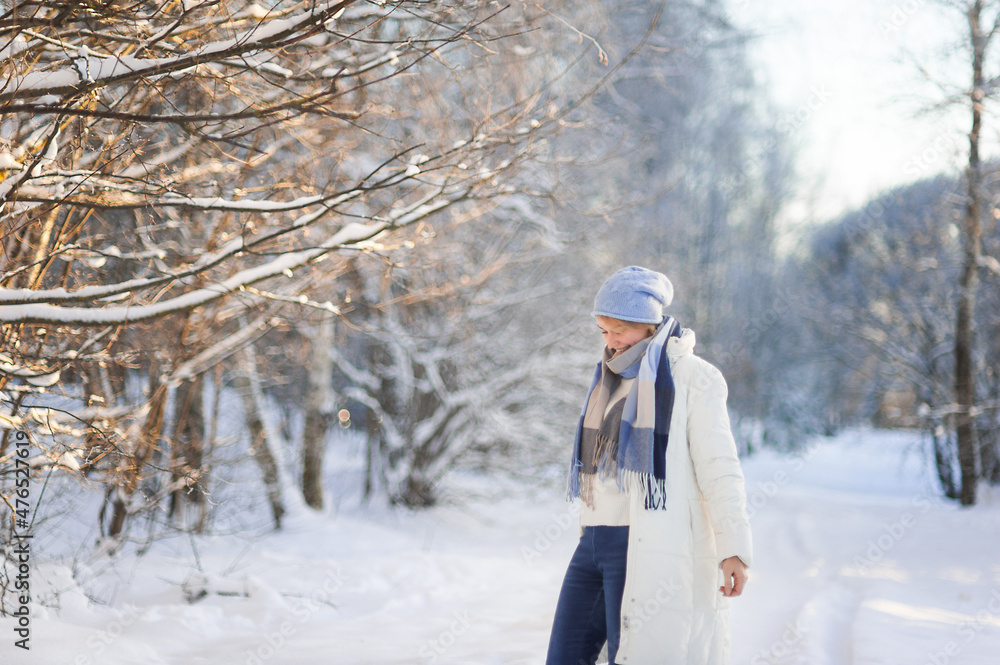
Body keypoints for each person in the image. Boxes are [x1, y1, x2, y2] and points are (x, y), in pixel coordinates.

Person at [545, 266, 753, 665]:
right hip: (592, 544)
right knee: (565, 656)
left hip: (645, 543)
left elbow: (720, 468)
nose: (610, 341)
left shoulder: (693, 378)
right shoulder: (608, 376)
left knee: (631, 657)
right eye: (604, 330)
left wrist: (734, 550)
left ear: (647, 324)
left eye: (618, 329)